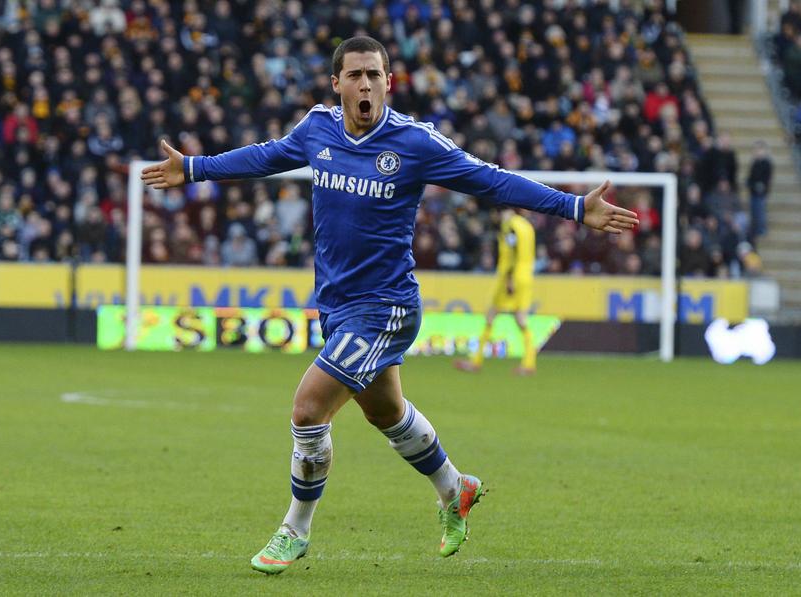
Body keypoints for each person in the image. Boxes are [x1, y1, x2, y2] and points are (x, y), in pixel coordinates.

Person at [142, 36, 638, 575]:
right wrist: (195, 168)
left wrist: (573, 206)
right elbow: (265, 156)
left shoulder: (414, 142)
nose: (365, 85)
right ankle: (454, 486)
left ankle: (295, 530)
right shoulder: (317, 129)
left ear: (389, 82)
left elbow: (490, 181)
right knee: (386, 412)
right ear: (337, 84)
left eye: (374, 75)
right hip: (336, 306)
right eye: (355, 75)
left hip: (387, 307)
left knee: (308, 410)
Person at [454, 208, 538, 375]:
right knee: (520, 318)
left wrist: (509, 278)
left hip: (511, 276)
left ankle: (476, 361)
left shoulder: (510, 225)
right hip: (526, 275)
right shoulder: (526, 225)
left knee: (491, 315)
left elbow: (513, 251)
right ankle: (529, 363)